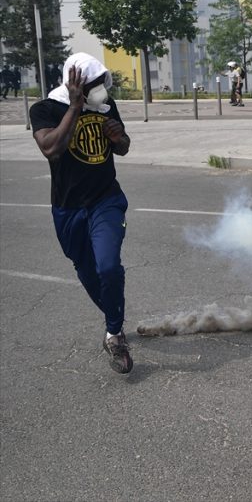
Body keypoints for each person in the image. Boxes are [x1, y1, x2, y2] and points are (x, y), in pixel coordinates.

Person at [29, 53, 134, 374]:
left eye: (104, 83)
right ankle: (113, 315)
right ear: (75, 86)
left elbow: (124, 145)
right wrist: (75, 107)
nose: (103, 90)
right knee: (86, 269)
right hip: (68, 208)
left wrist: (119, 140)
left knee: (108, 266)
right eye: (96, 85)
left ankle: (114, 334)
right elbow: (51, 148)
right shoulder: (45, 109)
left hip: (107, 200)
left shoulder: (105, 106)